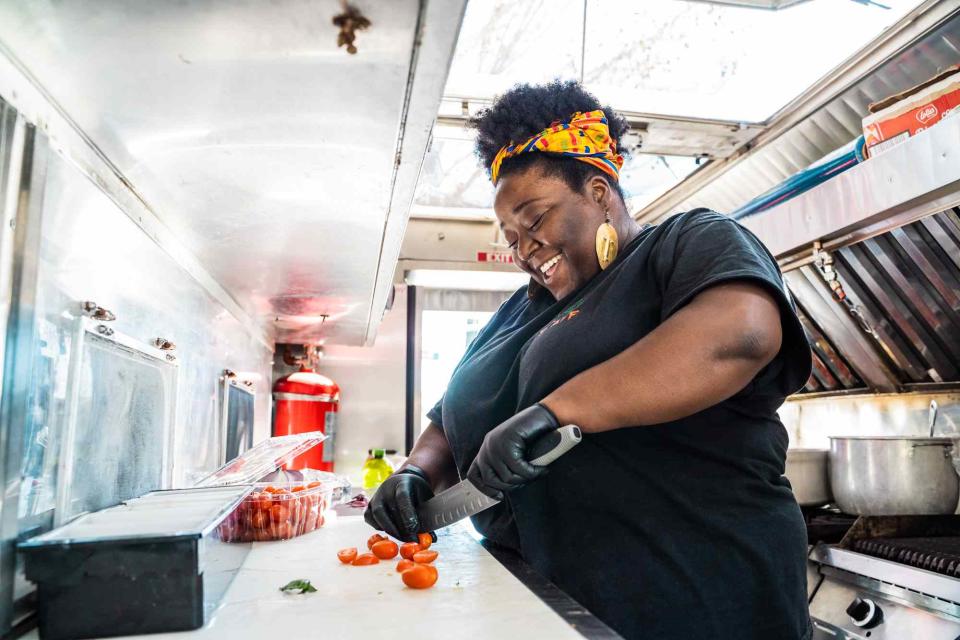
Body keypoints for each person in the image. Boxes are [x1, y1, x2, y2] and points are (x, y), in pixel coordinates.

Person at [365, 80, 813, 640]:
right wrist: (417, 472)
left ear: (599, 191)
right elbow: (453, 413)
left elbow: (739, 335)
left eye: (535, 221)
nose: (524, 248)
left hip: (698, 601)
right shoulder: (517, 312)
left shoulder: (684, 243)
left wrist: (556, 411)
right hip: (547, 606)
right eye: (511, 236)